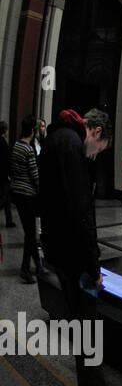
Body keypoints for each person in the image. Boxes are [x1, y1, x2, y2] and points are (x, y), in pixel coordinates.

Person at [37, 108, 122, 386]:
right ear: (95, 131)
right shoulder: (73, 147)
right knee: (88, 335)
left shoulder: (54, 139)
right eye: (99, 149)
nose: (95, 156)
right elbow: (80, 214)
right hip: (77, 261)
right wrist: (94, 266)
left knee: (84, 332)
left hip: (59, 253)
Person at [10, 115, 41, 282]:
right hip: (28, 194)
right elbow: (35, 176)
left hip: (17, 192)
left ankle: (38, 264)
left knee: (30, 232)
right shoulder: (28, 149)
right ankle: (25, 268)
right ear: (33, 130)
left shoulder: (16, 145)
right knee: (30, 234)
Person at [0, 120, 12, 227]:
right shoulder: (3, 143)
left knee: (7, 198)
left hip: (3, 174)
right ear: (4, 131)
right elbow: (5, 161)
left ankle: (9, 220)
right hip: (4, 175)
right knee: (4, 198)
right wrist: (8, 175)